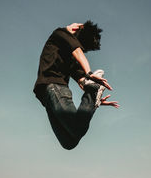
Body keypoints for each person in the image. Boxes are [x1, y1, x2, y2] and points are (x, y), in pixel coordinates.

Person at [33, 21, 119, 150]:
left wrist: (95, 99)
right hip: (48, 93)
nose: (81, 49)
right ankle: (93, 95)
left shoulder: (70, 60)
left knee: (75, 131)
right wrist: (89, 73)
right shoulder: (61, 33)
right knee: (69, 143)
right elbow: (78, 51)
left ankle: (93, 94)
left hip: (54, 88)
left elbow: (82, 82)